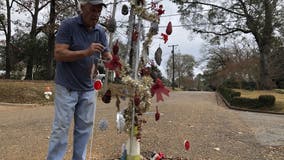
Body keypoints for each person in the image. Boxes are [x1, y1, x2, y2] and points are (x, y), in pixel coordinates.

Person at [46, 0, 112, 159]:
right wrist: (86, 52)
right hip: (67, 86)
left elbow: (106, 55)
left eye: (99, 10)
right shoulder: (68, 25)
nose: (96, 14)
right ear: (82, 7)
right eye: (92, 9)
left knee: (84, 129)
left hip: (88, 88)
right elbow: (59, 54)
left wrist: (111, 60)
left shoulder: (100, 32)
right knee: (61, 128)